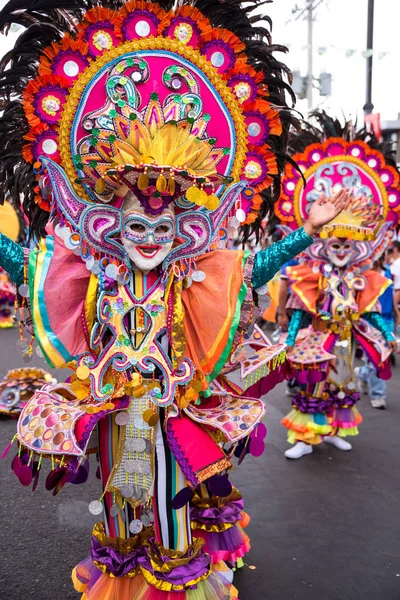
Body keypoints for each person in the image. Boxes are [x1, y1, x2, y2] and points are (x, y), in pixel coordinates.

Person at [0, 2, 347, 598]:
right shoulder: (93, 272)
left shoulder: (193, 271)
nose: (149, 242)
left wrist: (307, 234)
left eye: (163, 231)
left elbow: (251, 269)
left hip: (172, 411)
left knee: (171, 507)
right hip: (112, 411)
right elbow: (29, 267)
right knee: (119, 511)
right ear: (111, 224)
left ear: (184, 229)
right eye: (136, 228)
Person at [274, 111, 399, 460]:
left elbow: (370, 311)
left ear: (359, 246)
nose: (341, 251)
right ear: (323, 244)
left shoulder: (362, 277)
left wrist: (386, 333)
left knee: (340, 385)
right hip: (316, 339)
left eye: (347, 245)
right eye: (335, 244)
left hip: (345, 341)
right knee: (311, 385)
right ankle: (304, 438)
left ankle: (330, 431)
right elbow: (299, 310)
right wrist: (287, 338)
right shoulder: (311, 274)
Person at [354, 254, 399, 409]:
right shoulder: (361, 278)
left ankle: (361, 373)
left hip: (387, 319)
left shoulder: (388, 273)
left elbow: (391, 294)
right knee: (376, 359)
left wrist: (395, 315)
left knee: (380, 358)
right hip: (369, 322)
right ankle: (378, 395)